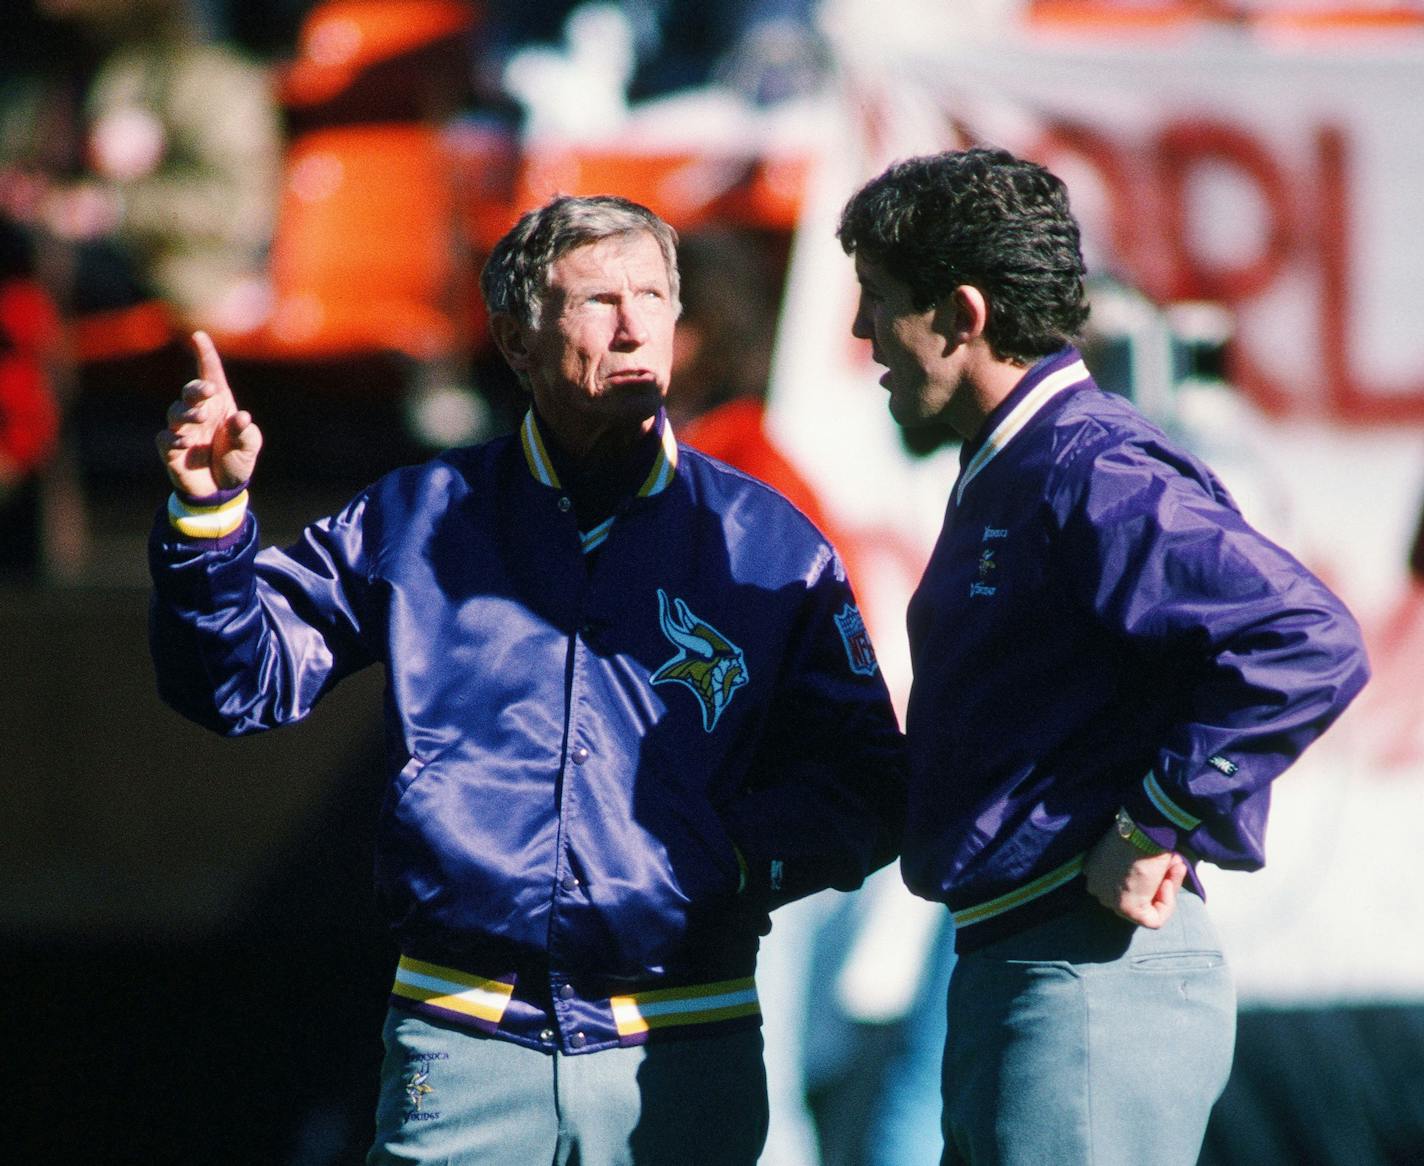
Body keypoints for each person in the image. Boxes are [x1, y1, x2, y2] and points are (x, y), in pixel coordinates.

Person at [147, 193, 905, 1165]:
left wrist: (726, 862)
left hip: (683, 1036)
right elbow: (240, 680)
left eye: (652, 296)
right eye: (595, 299)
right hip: (461, 1043)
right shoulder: (418, 517)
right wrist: (209, 519)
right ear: (514, 339)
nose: (631, 324)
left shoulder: (769, 542)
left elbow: (866, 785)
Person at [836, 147, 1370, 1165]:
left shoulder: (1089, 466)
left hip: (1084, 971)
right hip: (1025, 967)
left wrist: (1154, 816)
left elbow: (1302, 640)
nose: (863, 335)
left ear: (960, 312)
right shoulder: (1015, 465)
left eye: (877, 300)